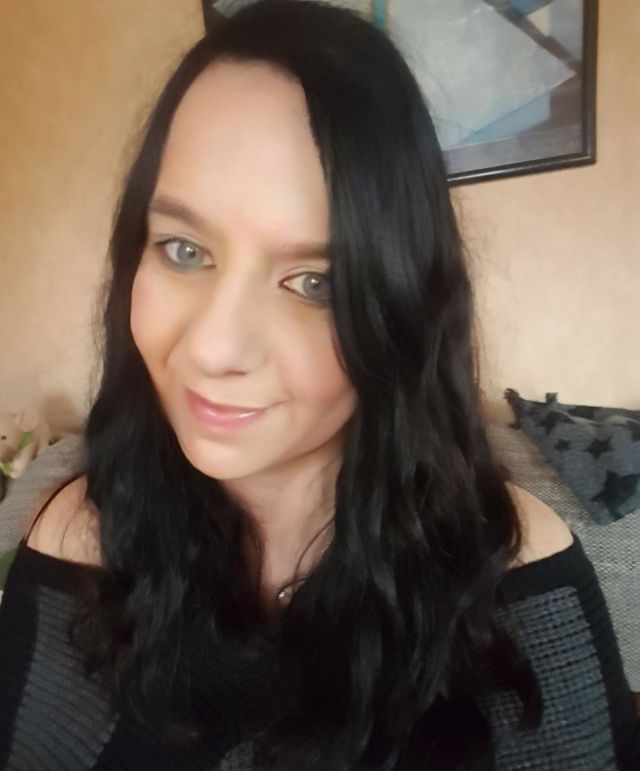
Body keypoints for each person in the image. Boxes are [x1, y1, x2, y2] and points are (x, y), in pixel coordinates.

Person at [0, 1, 638, 769]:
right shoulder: (79, 532)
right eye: (183, 249)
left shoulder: (518, 580)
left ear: (401, 309)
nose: (213, 347)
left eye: (314, 282)